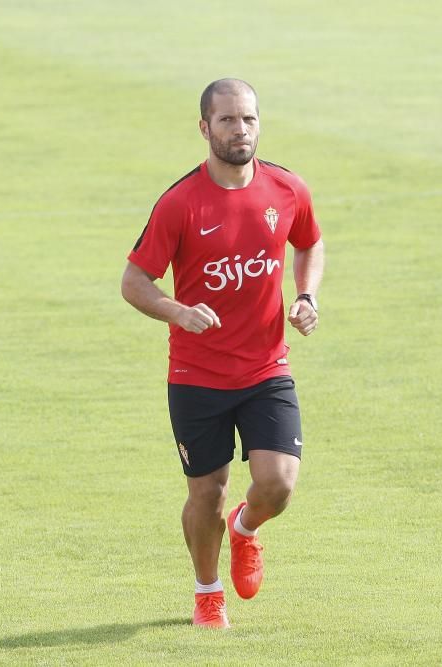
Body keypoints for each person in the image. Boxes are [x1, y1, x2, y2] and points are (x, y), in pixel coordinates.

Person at [121, 78, 325, 628]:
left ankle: (246, 529)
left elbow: (308, 241)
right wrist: (177, 312)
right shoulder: (180, 202)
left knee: (278, 484)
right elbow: (135, 280)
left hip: (266, 368)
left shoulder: (286, 190)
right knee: (206, 494)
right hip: (197, 374)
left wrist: (306, 296)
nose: (241, 130)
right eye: (229, 120)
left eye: (249, 119)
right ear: (205, 127)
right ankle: (207, 593)